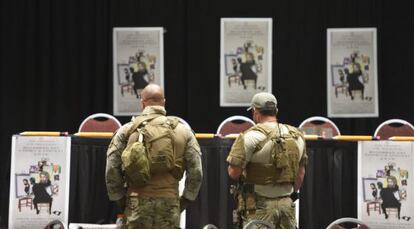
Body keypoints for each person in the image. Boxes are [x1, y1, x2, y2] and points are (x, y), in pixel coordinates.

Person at [105, 84, 203, 228]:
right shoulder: (184, 132)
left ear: (142, 103)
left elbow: (111, 170)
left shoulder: (126, 131)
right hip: (170, 205)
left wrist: (122, 201)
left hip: (136, 205)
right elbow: (196, 172)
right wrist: (183, 201)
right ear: (163, 102)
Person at [226, 92, 307, 229]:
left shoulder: (250, 137)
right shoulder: (297, 136)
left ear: (255, 111)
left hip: (259, 208)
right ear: (276, 111)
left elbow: (234, 172)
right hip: (287, 206)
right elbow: (300, 173)